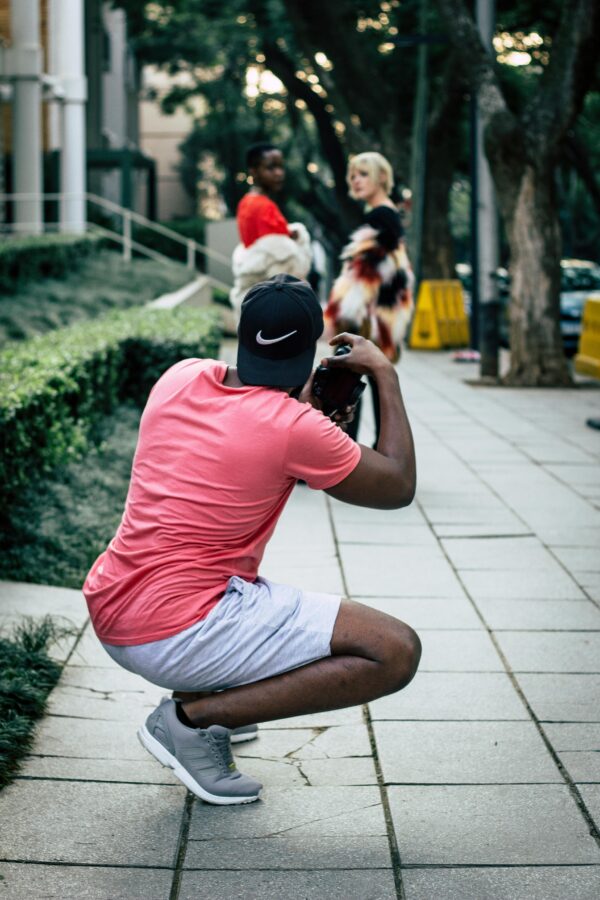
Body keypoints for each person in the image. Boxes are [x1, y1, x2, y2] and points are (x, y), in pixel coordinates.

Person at [82, 273, 421, 807]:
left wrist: (304, 414)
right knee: (394, 651)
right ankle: (191, 720)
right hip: (175, 630)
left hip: (111, 605)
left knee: (249, 592)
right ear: (313, 346)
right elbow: (397, 485)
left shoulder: (180, 377)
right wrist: (384, 372)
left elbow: (244, 430)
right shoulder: (295, 427)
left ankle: (206, 695)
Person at [324, 151, 414, 442]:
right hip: (380, 315)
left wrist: (339, 313)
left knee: (348, 380)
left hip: (369, 315)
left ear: (382, 177)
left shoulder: (380, 216)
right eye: (353, 175)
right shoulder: (386, 214)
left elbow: (365, 275)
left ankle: (338, 447)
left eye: (363, 174)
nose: (356, 180)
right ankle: (379, 449)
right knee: (373, 380)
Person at [230, 143, 312, 315]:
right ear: (253, 171)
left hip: (254, 295)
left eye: (280, 167)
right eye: (270, 167)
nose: (279, 173)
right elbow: (280, 260)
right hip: (274, 303)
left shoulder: (246, 202)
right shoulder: (264, 207)